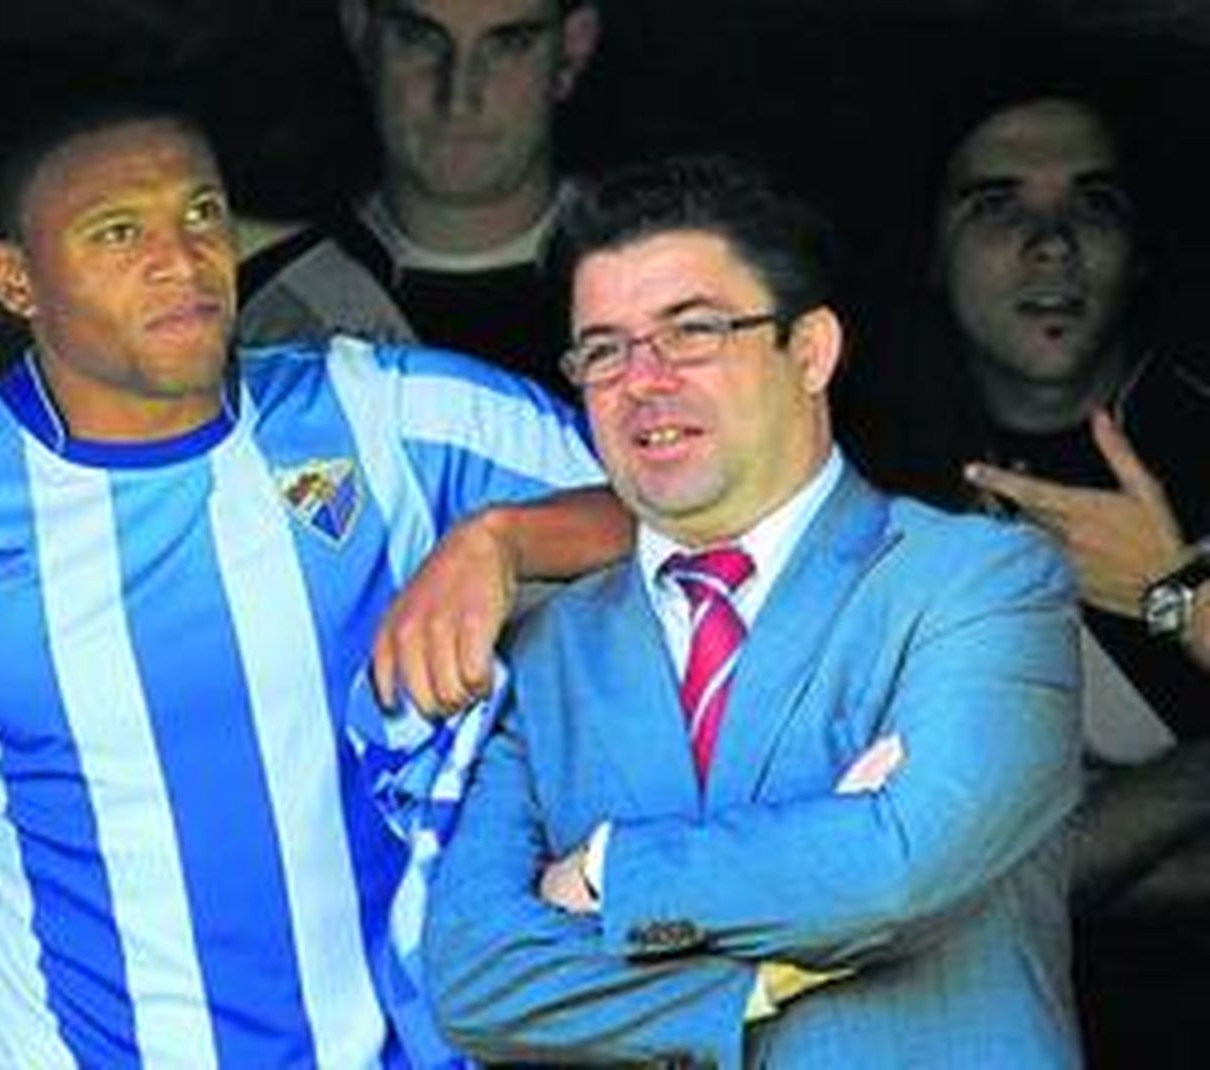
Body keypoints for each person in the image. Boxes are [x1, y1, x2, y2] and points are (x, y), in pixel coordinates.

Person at [0, 93, 626, 1069]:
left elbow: (711, 496)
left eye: (200, 213)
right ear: (16, 281)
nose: (181, 260)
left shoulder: (381, 411)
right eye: (115, 233)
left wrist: (501, 537)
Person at [423, 154, 1084, 1067]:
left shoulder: (980, 582)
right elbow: (474, 978)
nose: (643, 379)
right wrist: (758, 983)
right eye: (605, 349)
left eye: (692, 332)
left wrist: (608, 871)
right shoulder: (543, 654)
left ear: (810, 351)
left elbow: (902, 865)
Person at [849, 89, 1210, 1066]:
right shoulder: (861, 477)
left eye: (1091, 204)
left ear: (1139, 247)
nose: (1050, 244)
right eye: (997, 204)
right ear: (929, 249)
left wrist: (1173, 592)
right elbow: (889, 875)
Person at [238, 0, 601, 400]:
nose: (459, 96)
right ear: (361, 34)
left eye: (508, 44)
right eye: (420, 38)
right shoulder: (267, 317)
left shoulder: (662, 285)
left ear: (572, 48)